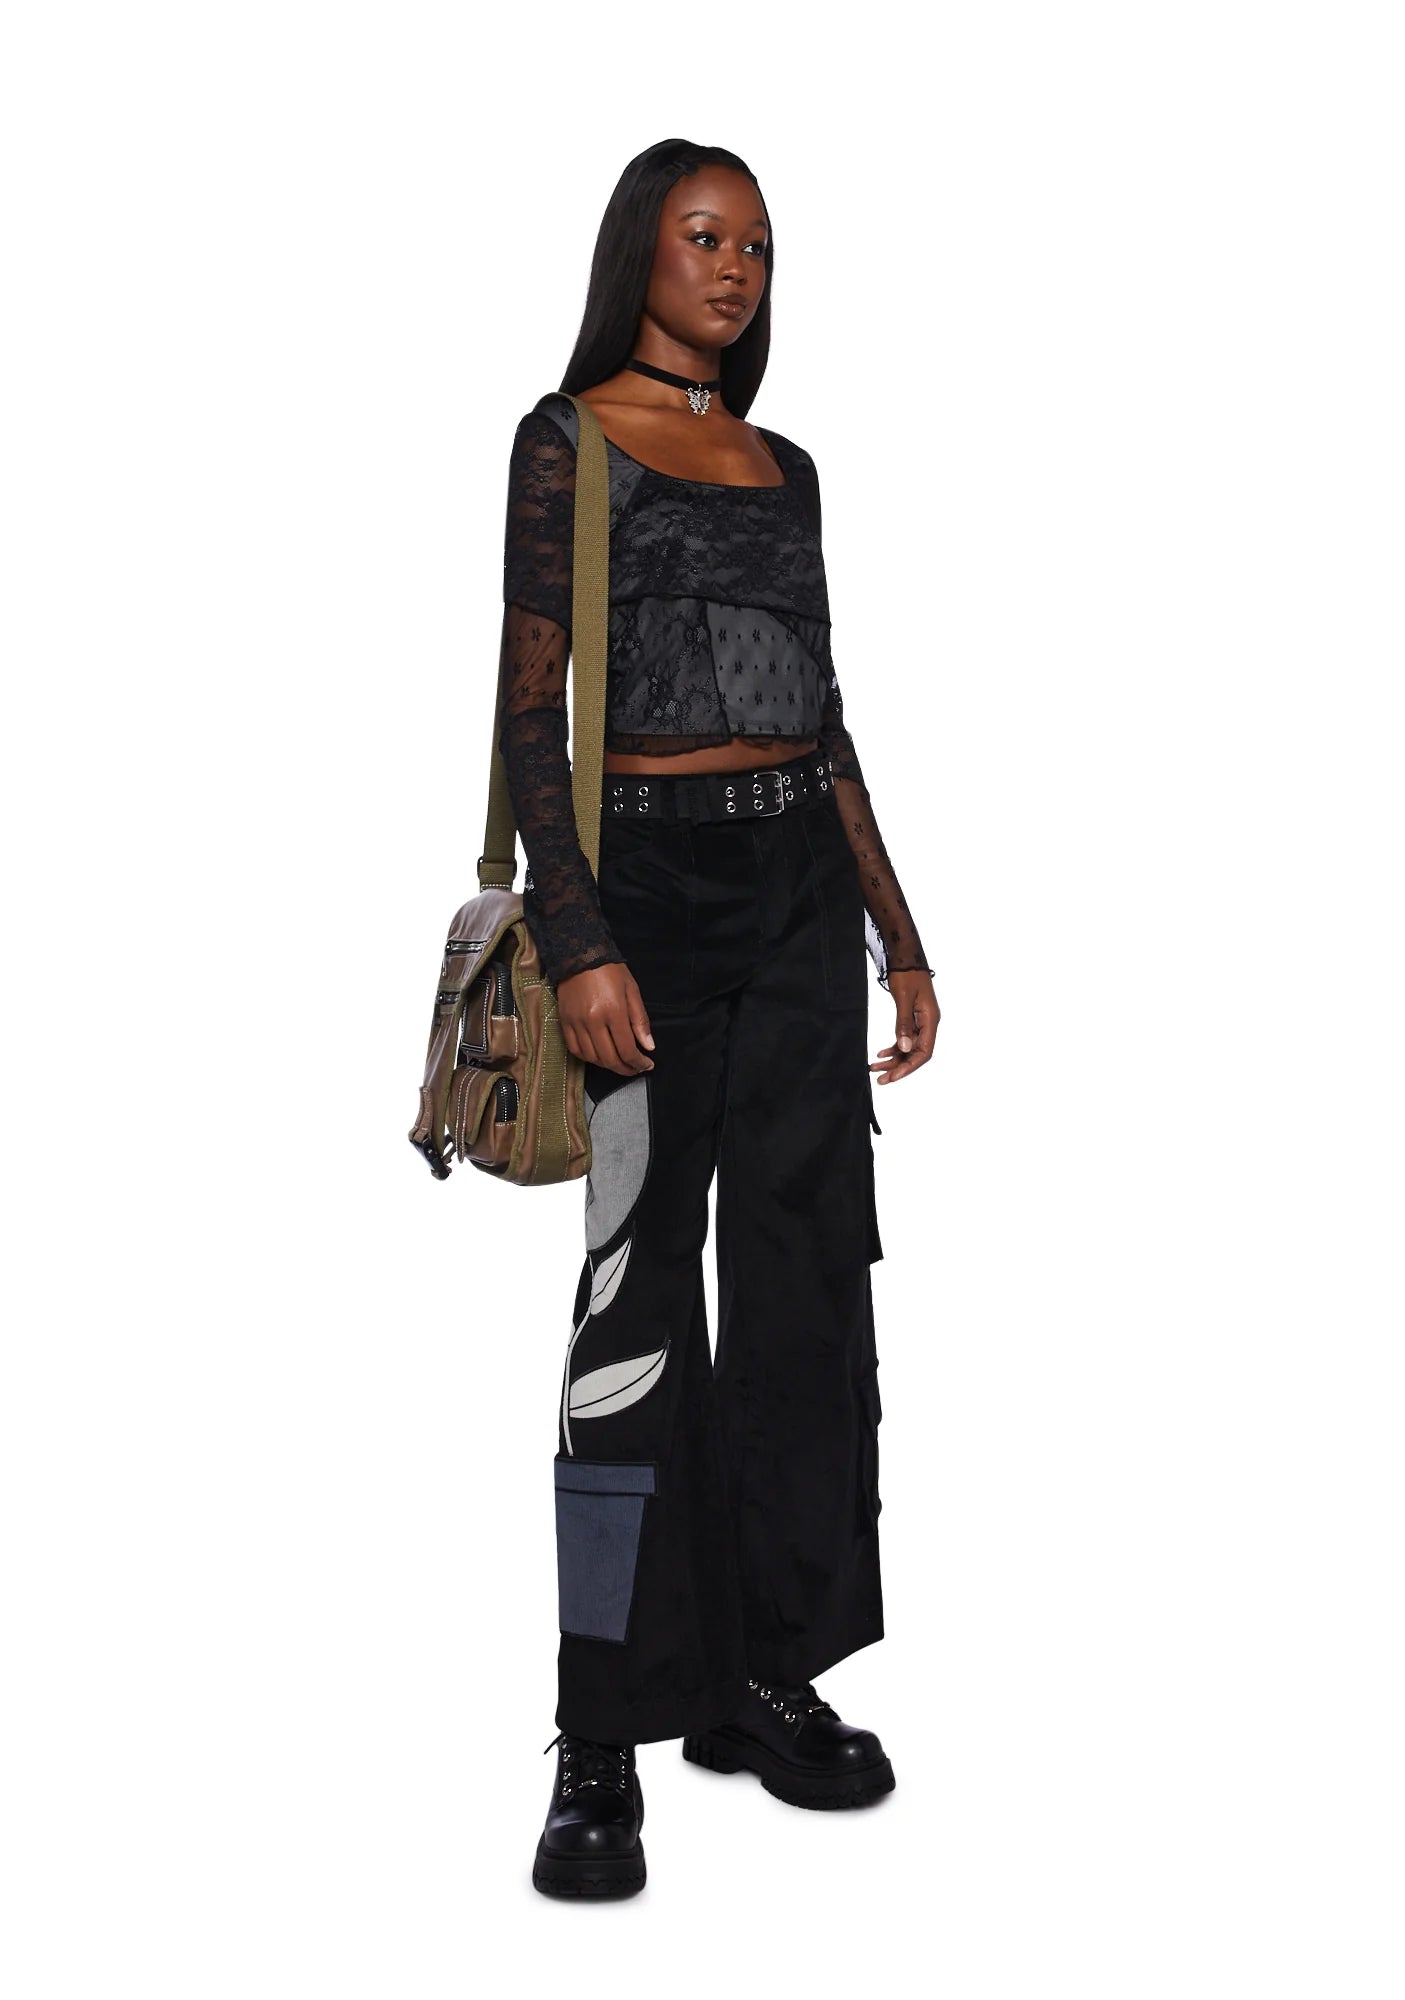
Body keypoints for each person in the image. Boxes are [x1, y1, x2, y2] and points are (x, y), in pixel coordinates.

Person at [497, 139, 940, 1900]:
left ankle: (763, 1675)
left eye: (755, 242)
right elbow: (530, 711)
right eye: (702, 236)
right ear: (642, 253)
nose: (734, 266)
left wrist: (898, 935)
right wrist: (578, 939)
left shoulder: (783, 466)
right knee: (629, 1318)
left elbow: (822, 716)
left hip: (798, 903)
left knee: (803, 1293)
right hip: (646, 898)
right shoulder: (566, 439)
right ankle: (599, 1729)